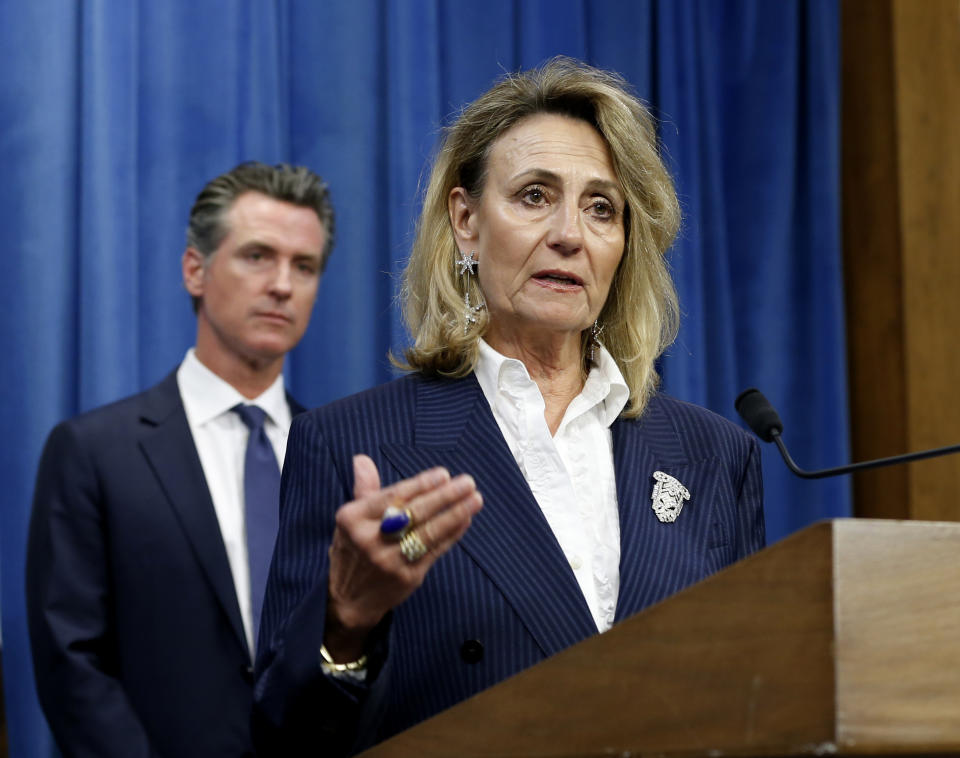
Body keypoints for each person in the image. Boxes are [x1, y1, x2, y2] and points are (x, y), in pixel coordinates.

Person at [252, 58, 765, 757]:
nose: (569, 234)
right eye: (533, 196)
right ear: (465, 220)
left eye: (601, 208)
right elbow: (282, 736)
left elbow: (756, 702)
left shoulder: (713, 456)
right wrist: (345, 622)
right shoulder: (352, 444)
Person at [26, 161, 335, 758]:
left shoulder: (337, 454)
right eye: (257, 256)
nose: (282, 284)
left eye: (305, 266)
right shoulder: (94, 453)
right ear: (196, 269)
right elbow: (72, 663)